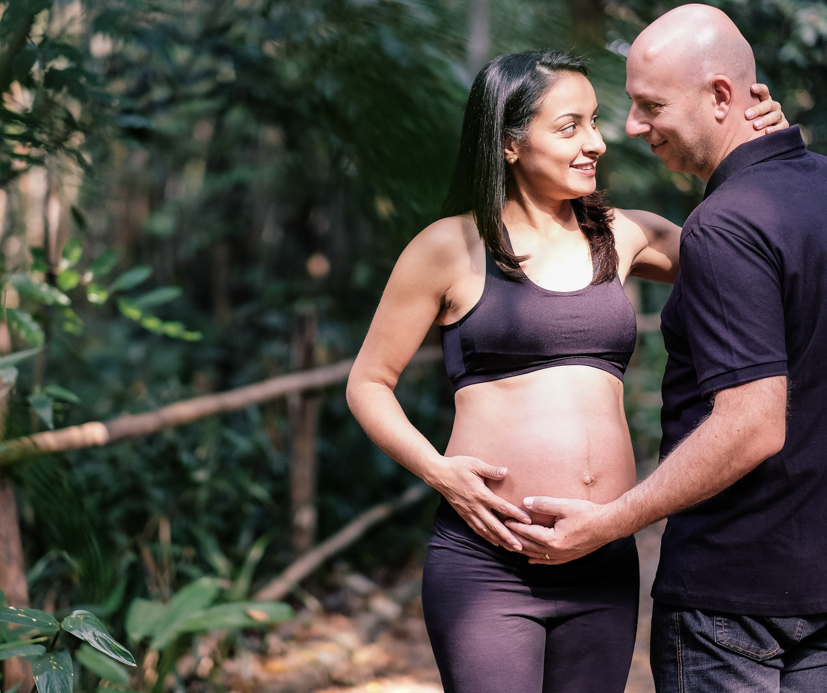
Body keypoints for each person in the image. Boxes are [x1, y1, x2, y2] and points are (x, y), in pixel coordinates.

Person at [345, 45, 786, 692]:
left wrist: (753, 148)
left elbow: (750, 255)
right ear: (509, 144)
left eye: (596, 121)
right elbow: (368, 382)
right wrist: (440, 472)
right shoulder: (449, 246)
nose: (598, 142)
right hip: (488, 563)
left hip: (601, 560)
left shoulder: (623, 233)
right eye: (570, 125)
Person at [508, 6, 827, 692]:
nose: (630, 127)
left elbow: (751, 423)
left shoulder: (724, 225)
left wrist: (606, 524)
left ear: (720, 97)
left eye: (650, 105)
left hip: (731, 604)